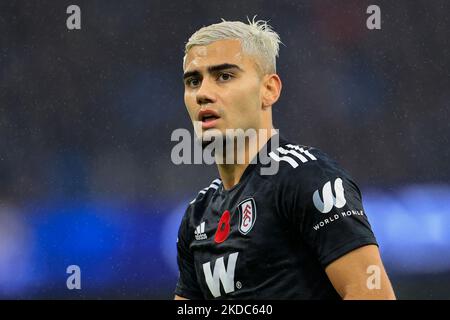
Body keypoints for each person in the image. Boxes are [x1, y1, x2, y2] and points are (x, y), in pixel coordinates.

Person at [174, 18, 395, 299]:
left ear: (269, 90)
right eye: (193, 81)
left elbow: (372, 294)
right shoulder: (198, 216)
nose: (203, 93)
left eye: (224, 76)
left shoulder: (308, 178)